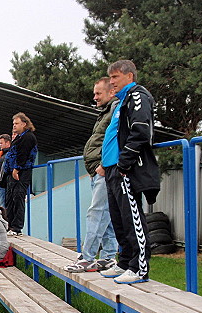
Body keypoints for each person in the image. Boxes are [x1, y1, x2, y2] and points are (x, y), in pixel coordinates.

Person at [100, 60, 159, 284]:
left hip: (126, 169)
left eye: (115, 77)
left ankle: (139, 267)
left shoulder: (137, 96)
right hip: (112, 169)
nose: (111, 82)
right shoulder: (121, 102)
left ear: (129, 76)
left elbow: (141, 131)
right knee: (118, 219)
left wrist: (124, 163)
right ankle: (124, 261)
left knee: (132, 218)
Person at [65, 77, 119, 273]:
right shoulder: (106, 111)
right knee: (108, 214)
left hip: (103, 169)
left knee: (96, 212)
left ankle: (87, 258)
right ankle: (108, 257)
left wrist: (104, 164)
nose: (94, 97)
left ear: (111, 92)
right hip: (97, 169)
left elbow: (117, 137)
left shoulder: (115, 109)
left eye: (98, 93)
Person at [3, 112, 38, 235]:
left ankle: (17, 227)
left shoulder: (28, 137)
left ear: (24, 124)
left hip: (22, 171)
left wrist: (17, 169)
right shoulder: (18, 137)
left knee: (18, 197)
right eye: (13, 124)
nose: (14, 126)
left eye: (16, 123)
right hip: (12, 172)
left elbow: (23, 154)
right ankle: (11, 225)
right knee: (10, 199)